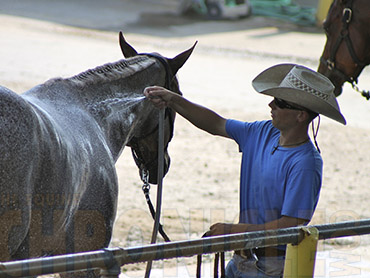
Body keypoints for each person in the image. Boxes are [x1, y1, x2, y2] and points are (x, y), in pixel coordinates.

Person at [144, 63, 346, 278]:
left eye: (280, 102)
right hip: (242, 258)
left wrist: (232, 232)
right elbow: (216, 123)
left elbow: (290, 225)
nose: (271, 104)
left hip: (272, 267)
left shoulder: (305, 162)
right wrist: (173, 99)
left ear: (301, 116)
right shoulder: (263, 131)